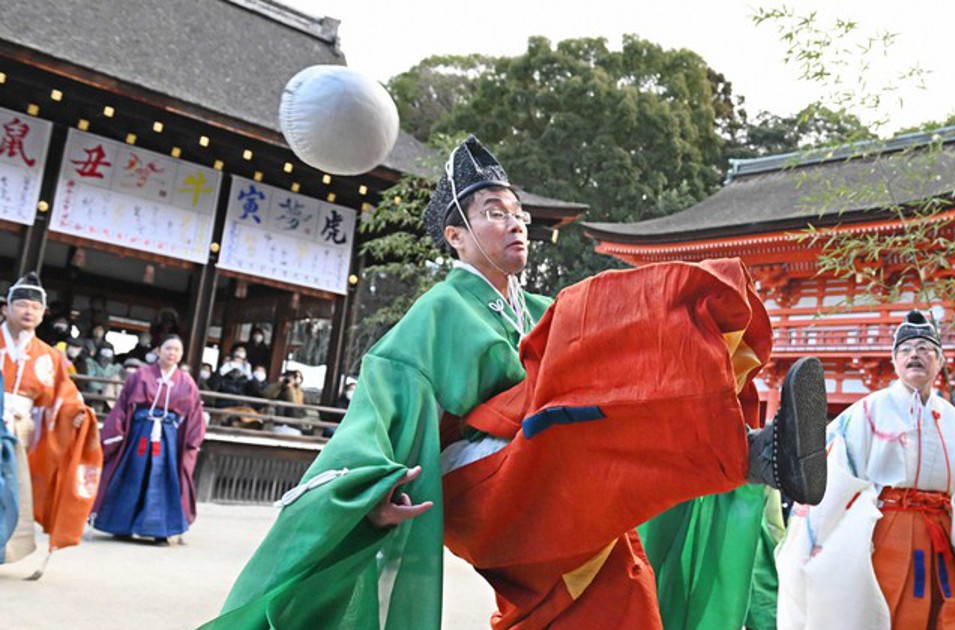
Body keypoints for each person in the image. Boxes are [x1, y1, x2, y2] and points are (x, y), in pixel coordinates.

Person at [204, 136, 828, 629]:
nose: (515, 222)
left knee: (619, 595)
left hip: (553, 475)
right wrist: (371, 493)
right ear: (456, 236)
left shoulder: (534, 308)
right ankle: (746, 451)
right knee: (587, 340)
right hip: (487, 485)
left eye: (519, 211)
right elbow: (379, 403)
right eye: (493, 212)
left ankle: (739, 443)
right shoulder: (441, 310)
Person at [776, 310, 955, 629]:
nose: (915, 355)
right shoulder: (867, 411)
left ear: (939, 362)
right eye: (906, 350)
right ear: (894, 361)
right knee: (886, 609)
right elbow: (836, 471)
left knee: (953, 612)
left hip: (942, 531)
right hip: (886, 529)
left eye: (925, 349)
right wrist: (816, 535)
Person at [0, 273, 100, 566]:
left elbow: (63, 396)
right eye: (22, 305)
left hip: (22, 428)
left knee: (12, 490)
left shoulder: (48, 355)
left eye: (35, 307)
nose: (29, 311)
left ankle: (4, 547)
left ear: (43, 314)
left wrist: (75, 414)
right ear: (6, 308)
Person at [91, 335, 206, 543]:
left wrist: (192, 440)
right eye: (168, 348)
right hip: (140, 433)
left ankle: (160, 530)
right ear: (158, 350)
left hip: (168, 437)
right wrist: (116, 431)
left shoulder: (187, 382)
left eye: (176, 350)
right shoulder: (141, 375)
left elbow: (195, 413)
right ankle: (122, 525)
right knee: (134, 473)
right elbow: (123, 405)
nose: (172, 353)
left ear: (180, 355)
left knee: (164, 477)